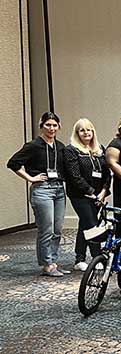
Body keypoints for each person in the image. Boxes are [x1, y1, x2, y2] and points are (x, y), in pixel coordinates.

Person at [7, 112, 68, 276]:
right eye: (48, 125)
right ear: (41, 126)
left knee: (57, 229)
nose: (51, 128)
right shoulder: (33, 145)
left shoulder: (60, 146)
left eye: (55, 125)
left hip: (59, 189)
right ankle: (47, 264)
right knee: (46, 229)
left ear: (59, 127)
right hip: (42, 190)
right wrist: (30, 178)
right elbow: (13, 163)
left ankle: (54, 262)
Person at [64, 118, 111, 272]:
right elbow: (74, 176)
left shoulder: (99, 149)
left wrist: (103, 192)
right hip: (80, 195)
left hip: (99, 195)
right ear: (77, 133)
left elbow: (106, 174)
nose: (86, 133)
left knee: (84, 224)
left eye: (89, 129)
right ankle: (97, 257)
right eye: (82, 130)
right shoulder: (71, 150)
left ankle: (79, 258)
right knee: (91, 224)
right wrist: (91, 193)